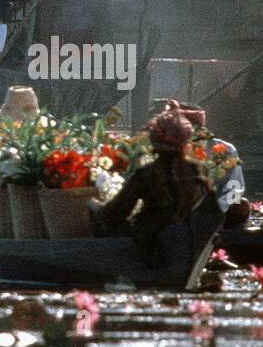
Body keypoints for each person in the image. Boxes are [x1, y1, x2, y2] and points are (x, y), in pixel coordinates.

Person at [90, 105, 211, 249]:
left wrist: (94, 205)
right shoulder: (200, 169)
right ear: (186, 140)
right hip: (187, 241)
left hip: (153, 245)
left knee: (95, 211)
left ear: (154, 139)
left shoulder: (146, 174)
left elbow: (116, 213)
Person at [170, 101, 250, 227]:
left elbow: (234, 189)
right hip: (173, 212)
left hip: (214, 213)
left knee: (240, 205)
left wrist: (214, 212)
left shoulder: (224, 150)